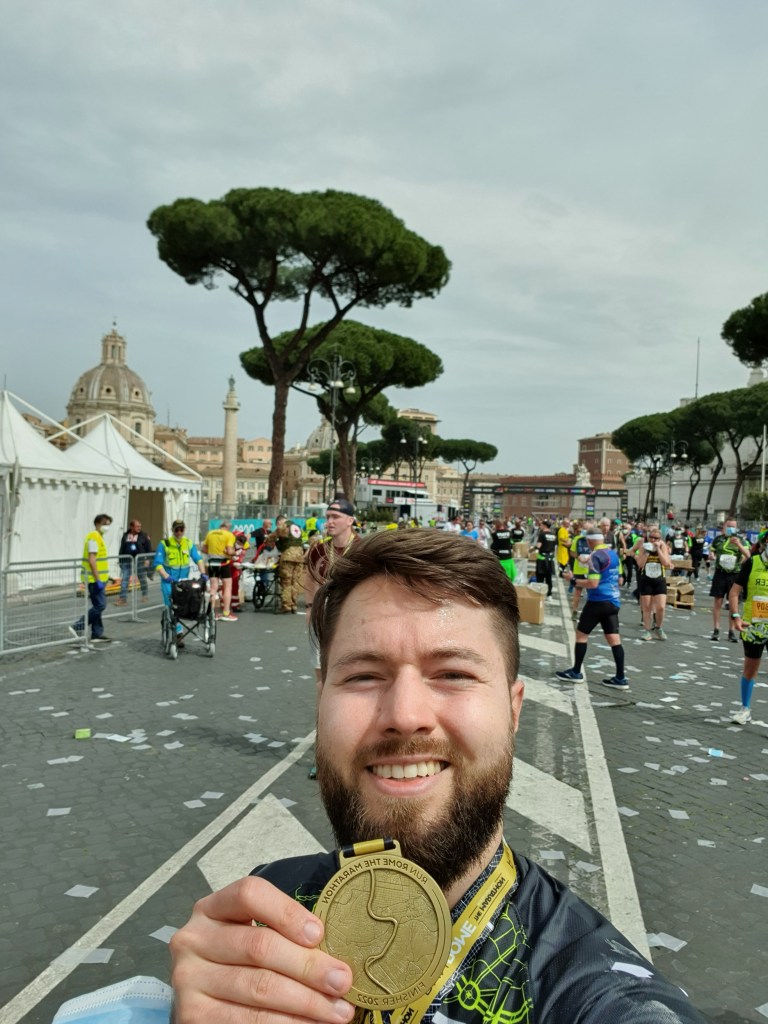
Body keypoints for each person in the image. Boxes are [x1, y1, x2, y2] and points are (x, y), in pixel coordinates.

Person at [169, 530, 707, 1024]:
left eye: (453, 673)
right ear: (320, 700)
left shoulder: (601, 991)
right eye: (363, 675)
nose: (405, 714)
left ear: (514, 710)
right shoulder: (268, 907)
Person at [557, 525, 628, 689]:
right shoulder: (613, 553)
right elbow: (618, 579)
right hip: (613, 602)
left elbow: (593, 583)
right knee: (614, 640)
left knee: (581, 635)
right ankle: (621, 678)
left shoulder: (596, 556)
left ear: (589, 541)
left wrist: (573, 580)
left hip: (598, 601)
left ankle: (576, 672)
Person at [728, 527, 768, 725]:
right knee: (750, 668)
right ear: (765, 542)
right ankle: (745, 709)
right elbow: (734, 593)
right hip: (753, 626)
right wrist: (735, 616)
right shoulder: (752, 562)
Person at [154, 520, 207, 648]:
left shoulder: (188, 543)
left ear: (184, 530)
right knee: (172, 607)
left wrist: (203, 573)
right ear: (172, 530)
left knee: (185, 605)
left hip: (184, 582)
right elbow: (157, 563)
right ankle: (178, 633)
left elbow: (198, 559)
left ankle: (179, 626)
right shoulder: (164, 544)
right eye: (176, 530)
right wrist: (166, 576)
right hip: (169, 581)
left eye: (181, 529)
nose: (179, 532)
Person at [70, 513, 113, 644]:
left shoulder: (99, 537)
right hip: (94, 579)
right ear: (97, 524)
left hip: (99, 578)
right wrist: (98, 579)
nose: (107, 527)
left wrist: (107, 577)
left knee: (97, 605)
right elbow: (92, 559)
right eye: (104, 524)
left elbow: (100, 560)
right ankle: (78, 625)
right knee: (100, 605)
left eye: (108, 524)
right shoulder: (94, 537)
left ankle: (97, 633)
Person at [709, 517, 751, 641]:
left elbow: (748, 555)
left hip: (734, 574)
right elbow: (712, 552)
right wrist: (712, 556)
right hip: (720, 573)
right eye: (729, 526)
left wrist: (738, 544)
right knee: (718, 601)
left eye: (733, 526)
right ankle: (716, 629)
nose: (731, 528)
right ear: (724, 527)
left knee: (733, 604)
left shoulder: (741, 540)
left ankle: (731, 631)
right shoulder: (718, 539)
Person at [631, 526, 672, 641]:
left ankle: (658, 628)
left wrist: (658, 550)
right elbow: (640, 564)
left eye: (656, 538)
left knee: (661, 607)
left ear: (660, 539)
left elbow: (666, 563)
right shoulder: (644, 546)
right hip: (646, 580)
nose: (653, 540)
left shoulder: (662, 545)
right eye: (651, 537)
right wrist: (646, 553)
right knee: (647, 607)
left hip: (659, 580)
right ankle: (647, 631)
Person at [202, 519, 238, 621]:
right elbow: (229, 551)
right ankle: (226, 612)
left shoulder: (210, 533)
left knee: (213, 588)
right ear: (228, 527)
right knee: (227, 587)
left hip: (212, 562)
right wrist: (234, 553)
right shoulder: (229, 535)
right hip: (223, 563)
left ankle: (211, 613)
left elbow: (204, 549)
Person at [272, 518, 305, 613]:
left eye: (277, 523)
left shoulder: (283, 526)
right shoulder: (297, 527)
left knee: (286, 581)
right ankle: (294, 605)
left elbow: (272, 536)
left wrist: (267, 540)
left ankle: (286, 605)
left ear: (280, 521)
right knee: (295, 582)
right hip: (300, 556)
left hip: (288, 556)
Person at [116, 519, 152, 605]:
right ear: (131, 527)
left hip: (140, 560)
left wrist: (147, 559)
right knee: (125, 579)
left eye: (140, 526)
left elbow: (149, 548)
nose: (139, 528)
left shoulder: (144, 536)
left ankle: (145, 595)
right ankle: (123, 598)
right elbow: (122, 548)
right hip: (126, 560)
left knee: (142, 578)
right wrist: (120, 560)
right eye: (137, 526)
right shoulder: (125, 535)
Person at [532, 519, 556, 597]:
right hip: (550, 559)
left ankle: (540, 595)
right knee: (549, 578)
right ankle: (549, 594)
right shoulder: (553, 535)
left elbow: (539, 546)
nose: (540, 526)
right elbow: (554, 546)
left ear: (545, 526)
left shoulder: (542, 534)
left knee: (540, 577)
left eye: (541, 525)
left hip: (542, 559)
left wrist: (531, 549)